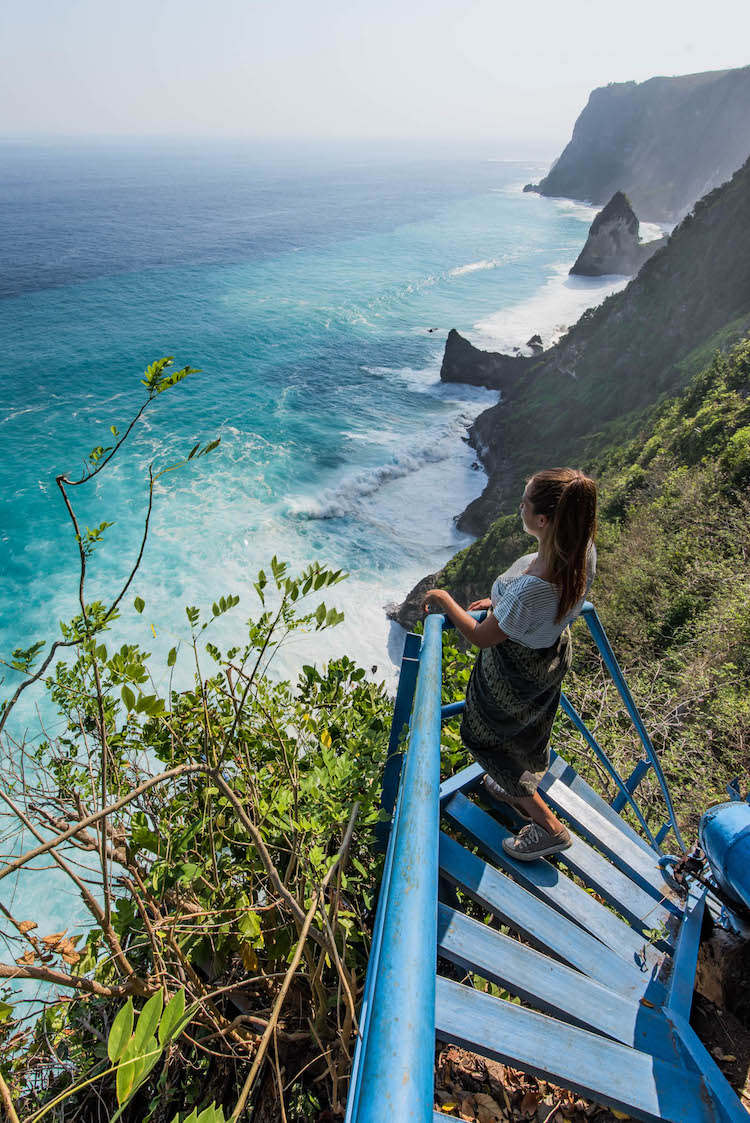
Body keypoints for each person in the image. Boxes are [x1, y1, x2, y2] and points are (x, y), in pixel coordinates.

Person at [423, 467, 597, 861]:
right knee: (526, 729)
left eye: (526, 502)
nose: (519, 506)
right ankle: (513, 785)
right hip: (550, 654)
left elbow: (484, 637)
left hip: (515, 669)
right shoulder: (579, 548)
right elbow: (530, 607)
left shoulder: (534, 588)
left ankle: (549, 828)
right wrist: (502, 606)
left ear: (544, 519)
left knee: (484, 738)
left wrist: (446, 601)